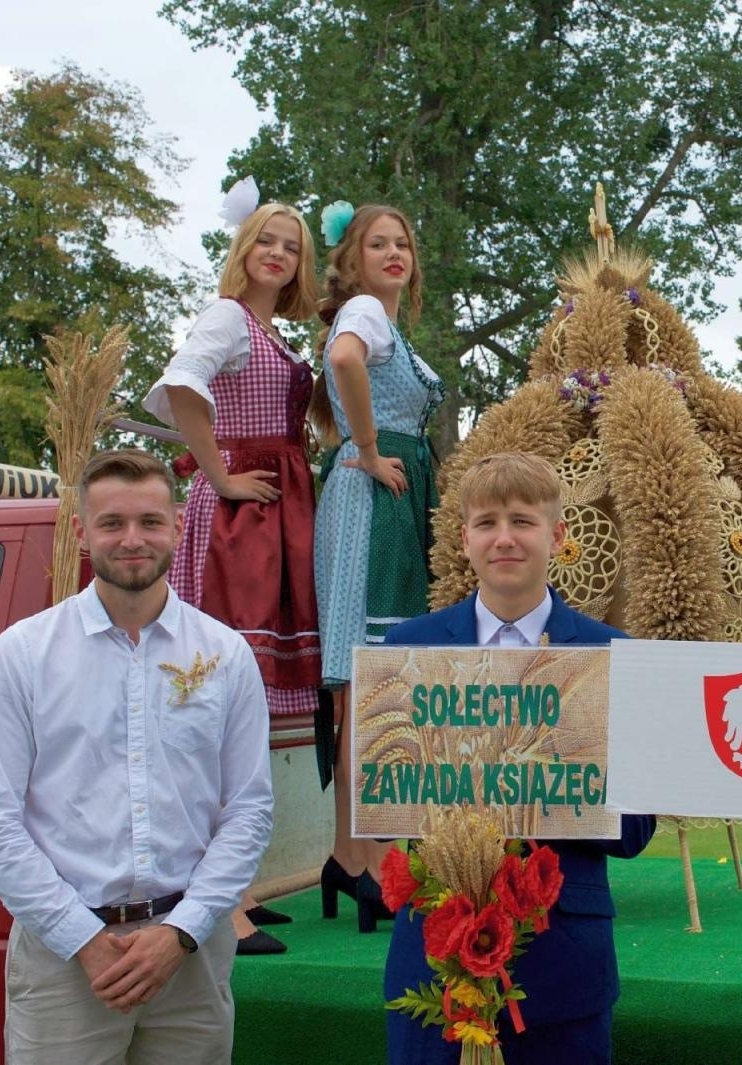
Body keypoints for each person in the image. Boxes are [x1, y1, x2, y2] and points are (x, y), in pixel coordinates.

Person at [0, 449, 273, 1064]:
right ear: (82, 532)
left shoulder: (226, 655)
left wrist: (182, 931)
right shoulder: (23, 655)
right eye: (112, 523)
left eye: (150, 521)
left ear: (178, 526)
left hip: (189, 954)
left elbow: (250, 810)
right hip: (64, 959)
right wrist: (83, 938)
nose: (133, 539)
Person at [381, 451, 656, 1065]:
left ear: (558, 536)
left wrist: (539, 785)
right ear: (464, 539)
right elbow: (384, 800)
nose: (504, 538)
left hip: (563, 963)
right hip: (434, 959)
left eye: (523, 521)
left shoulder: (614, 655)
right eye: (486, 522)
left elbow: (638, 827)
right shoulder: (405, 649)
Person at [143, 195, 322, 954]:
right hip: (237, 528)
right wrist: (220, 478)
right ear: (245, 246)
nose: (277, 254)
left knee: (247, 715)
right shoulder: (224, 318)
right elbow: (183, 387)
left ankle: (236, 889)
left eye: (290, 246)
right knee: (215, 706)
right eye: (266, 241)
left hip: (271, 522)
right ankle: (218, 905)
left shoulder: (271, 330)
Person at [311, 202, 445, 931]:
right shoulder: (364, 311)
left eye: (404, 242)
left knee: (362, 685)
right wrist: (365, 447)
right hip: (372, 497)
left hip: (381, 494)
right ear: (353, 259)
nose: (395, 252)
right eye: (378, 243)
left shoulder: (389, 320)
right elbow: (342, 359)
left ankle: (348, 853)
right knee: (373, 681)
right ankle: (368, 858)